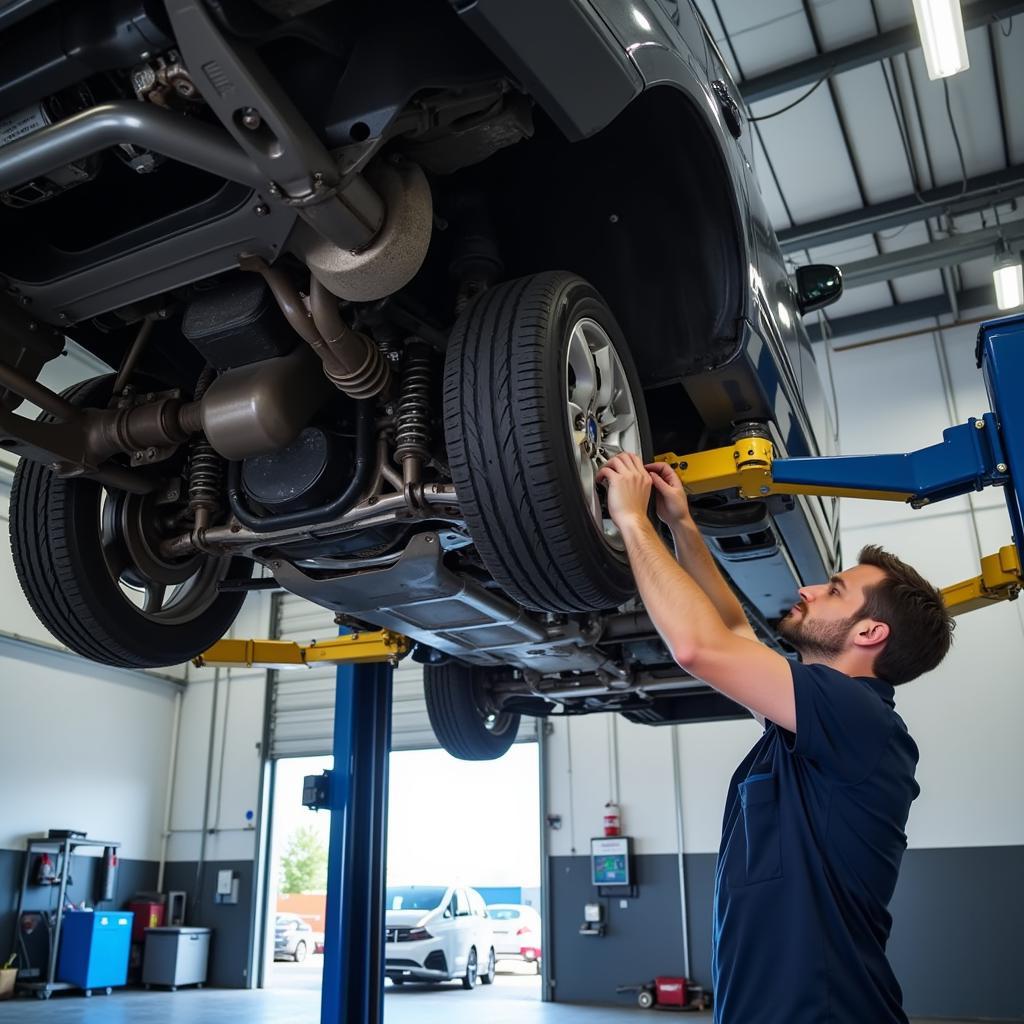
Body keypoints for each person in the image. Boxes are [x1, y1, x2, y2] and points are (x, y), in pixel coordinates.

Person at [595, 452, 955, 1024]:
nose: (810, 589)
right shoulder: (817, 728)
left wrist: (633, 520)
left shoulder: (859, 718)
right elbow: (733, 629)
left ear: (869, 632)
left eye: (834, 590)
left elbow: (699, 647)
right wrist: (681, 524)